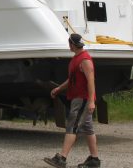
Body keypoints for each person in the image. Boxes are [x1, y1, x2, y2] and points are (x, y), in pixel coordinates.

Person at [43, 33, 101, 168]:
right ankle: (94, 160)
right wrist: (58, 89)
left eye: (69, 43)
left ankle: (62, 158)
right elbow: (72, 80)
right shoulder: (77, 58)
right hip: (78, 98)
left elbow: (91, 80)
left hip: (82, 99)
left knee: (72, 126)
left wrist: (91, 100)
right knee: (88, 128)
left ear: (72, 44)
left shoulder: (85, 60)